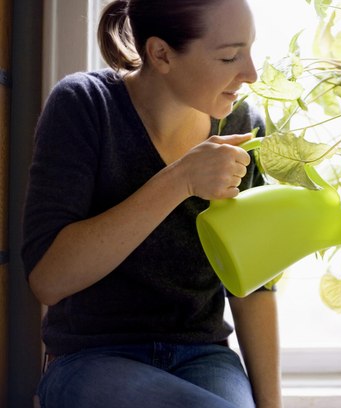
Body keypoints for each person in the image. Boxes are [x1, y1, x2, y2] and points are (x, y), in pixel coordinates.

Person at [21, 0, 282, 407]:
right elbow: (48, 280)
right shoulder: (85, 105)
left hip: (204, 354)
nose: (251, 73)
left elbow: (253, 287)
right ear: (161, 54)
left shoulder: (242, 126)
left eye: (249, 49)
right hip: (90, 357)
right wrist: (180, 179)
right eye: (230, 56)